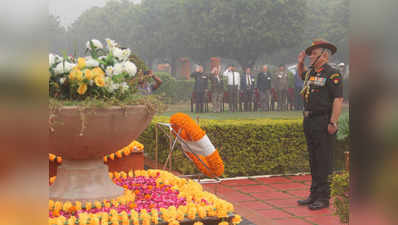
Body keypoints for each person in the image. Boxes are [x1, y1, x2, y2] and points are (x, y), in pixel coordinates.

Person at [297, 39, 344, 210]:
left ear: (324, 55)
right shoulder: (311, 73)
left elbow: (338, 99)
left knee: (324, 160)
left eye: (314, 54)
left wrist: (333, 121)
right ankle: (314, 194)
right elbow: (301, 74)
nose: (310, 57)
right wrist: (300, 63)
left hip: (324, 120)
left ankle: (324, 198)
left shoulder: (332, 74)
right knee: (314, 159)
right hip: (309, 120)